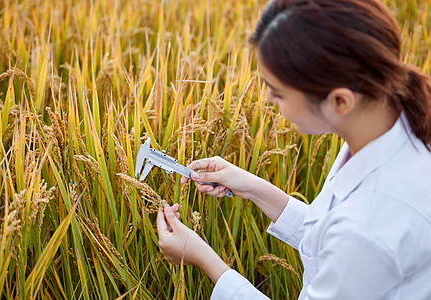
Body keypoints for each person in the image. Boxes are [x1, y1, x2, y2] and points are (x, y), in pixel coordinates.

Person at [156, 0, 431, 298]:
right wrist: (252, 187)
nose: (269, 100)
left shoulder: (370, 225)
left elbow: (350, 242)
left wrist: (205, 260)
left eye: (278, 92)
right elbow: (329, 236)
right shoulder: (384, 127)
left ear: (339, 101)